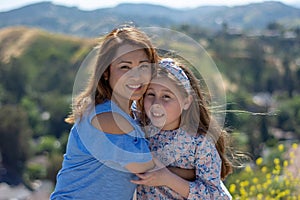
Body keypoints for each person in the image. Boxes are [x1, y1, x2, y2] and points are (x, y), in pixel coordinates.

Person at [50, 25, 159, 200]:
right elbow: (147, 167)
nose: (136, 76)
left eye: (143, 66)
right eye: (125, 67)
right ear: (106, 72)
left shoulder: (130, 114)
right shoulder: (105, 118)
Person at [131, 58, 233, 199]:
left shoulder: (199, 143)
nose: (156, 103)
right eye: (151, 94)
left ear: (186, 101)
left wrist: (168, 178)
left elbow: (213, 195)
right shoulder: (138, 130)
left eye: (166, 96)